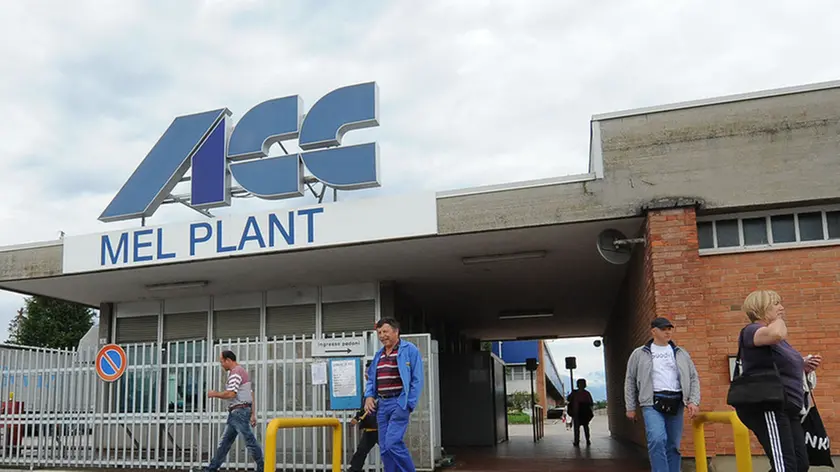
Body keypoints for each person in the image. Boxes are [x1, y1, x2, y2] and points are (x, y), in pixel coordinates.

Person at [733, 290, 822, 472]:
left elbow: (780, 360)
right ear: (761, 308)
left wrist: (803, 365)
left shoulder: (778, 340)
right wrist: (778, 320)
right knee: (785, 467)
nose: (782, 308)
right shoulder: (752, 330)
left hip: (789, 407)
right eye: (776, 304)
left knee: (800, 464)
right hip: (769, 405)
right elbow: (776, 334)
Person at [624, 317, 701, 472]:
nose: (667, 332)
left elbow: (693, 377)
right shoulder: (639, 354)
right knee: (657, 439)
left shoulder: (680, 353)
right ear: (654, 331)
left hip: (676, 401)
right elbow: (630, 380)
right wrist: (630, 407)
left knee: (673, 445)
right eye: (663, 329)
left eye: (669, 329)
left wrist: (693, 401)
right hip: (651, 402)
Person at [363, 318, 424, 472]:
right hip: (382, 405)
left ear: (396, 331)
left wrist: (408, 403)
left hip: (399, 402)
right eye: (379, 333)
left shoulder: (410, 350)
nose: (382, 336)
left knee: (392, 443)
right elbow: (371, 379)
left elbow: (417, 379)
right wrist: (369, 396)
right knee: (384, 448)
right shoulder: (379, 354)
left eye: (385, 331)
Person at [204, 350, 263, 472]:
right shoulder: (242, 371)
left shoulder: (235, 373)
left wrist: (215, 394)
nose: (221, 365)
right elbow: (251, 394)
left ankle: (263, 468)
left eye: (222, 362)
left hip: (238, 412)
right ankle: (211, 468)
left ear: (228, 360)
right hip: (239, 412)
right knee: (225, 443)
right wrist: (252, 414)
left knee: (249, 441)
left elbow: (231, 394)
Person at [349, 362, 379, 472]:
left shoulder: (381, 389)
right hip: (370, 428)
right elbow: (364, 408)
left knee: (390, 451)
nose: (366, 375)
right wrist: (357, 418)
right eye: (366, 372)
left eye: (368, 372)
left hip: (381, 428)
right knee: (361, 451)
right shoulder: (367, 391)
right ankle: (353, 470)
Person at [566, 378, 594, 447]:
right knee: (585, 427)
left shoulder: (576, 393)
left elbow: (568, 400)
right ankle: (586, 440)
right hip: (581, 413)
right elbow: (591, 403)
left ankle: (577, 441)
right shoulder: (586, 393)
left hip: (578, 413)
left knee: (578, 428)